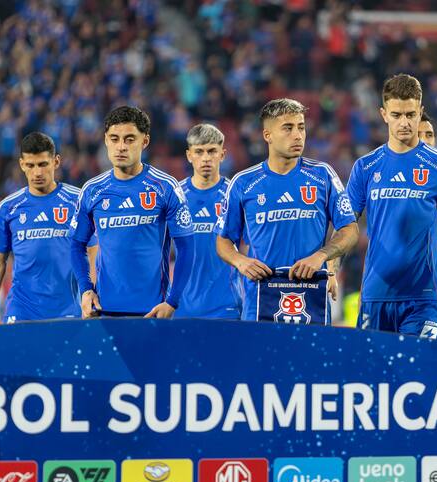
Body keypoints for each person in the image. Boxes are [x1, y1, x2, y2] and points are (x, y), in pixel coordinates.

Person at [347, 73, 437, 339]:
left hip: (425, 298)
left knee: (419, 374)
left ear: (421, 111)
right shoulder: (365, 167)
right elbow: (346, 227)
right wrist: (334, 270)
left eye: (410, 114)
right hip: (377, 295)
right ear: (383, 114)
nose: (404, 123)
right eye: (396, 115)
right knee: (374, 378)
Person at [215, 98, 358, 321]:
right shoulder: (243, 183)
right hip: (261, 296)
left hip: (312, 294)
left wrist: (320, 257)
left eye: (301, 127)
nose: (298, 135)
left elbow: (350, 230)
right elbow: (223, 241)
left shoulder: (323, 175)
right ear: (267, 136)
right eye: (288, 128)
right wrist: (241, 262)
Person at [69, 105, 195, 318]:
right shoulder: (92, 190)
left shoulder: (165, 187)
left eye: (129, 139)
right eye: (114, 138)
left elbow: (186, 247)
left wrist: (172, 301)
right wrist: (86, 289)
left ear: (144, 141)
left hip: (153, 311)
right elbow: (76, 244)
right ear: (106, 140)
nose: (121, 147)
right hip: (104, 310)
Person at [0, 132, 97, 324]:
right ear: (21, 165)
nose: (37, 172)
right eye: (31, 165)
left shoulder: (77, 201)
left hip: (68, 309)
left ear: (56, 162)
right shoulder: (8, 207)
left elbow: (94, 251)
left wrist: (91, 293)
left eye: (43, 164)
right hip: (21, 309)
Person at [176, 123, 242, 319]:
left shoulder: (235, 195)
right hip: (181, 306)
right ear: (189, 155)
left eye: (212, 151)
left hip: (226, 306)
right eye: (199, 152)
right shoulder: (176, 196)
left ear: (222, 154)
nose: (206, 158)